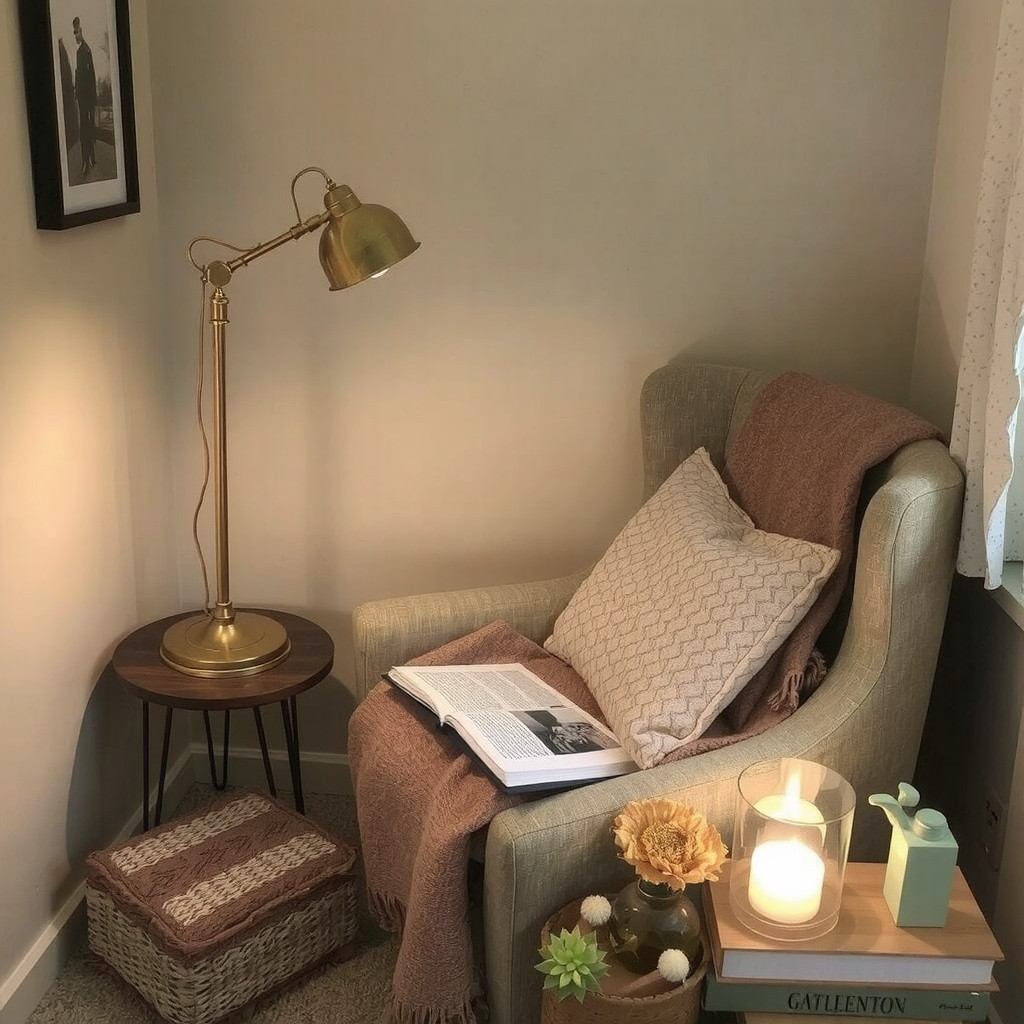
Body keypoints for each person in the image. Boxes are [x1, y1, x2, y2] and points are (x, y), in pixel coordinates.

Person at [72, 16, 96, 177]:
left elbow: (90, 75)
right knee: (87, 128)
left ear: (81, 31)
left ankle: (86, 161)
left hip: (86, 99)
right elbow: (80, 74)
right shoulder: (83, 51)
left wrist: (92, 99)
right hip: (84, 99)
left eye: (77, 32)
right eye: (73, 32)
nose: (75, 35)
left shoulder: (84, 51)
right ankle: (90, 159)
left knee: (85, 130)